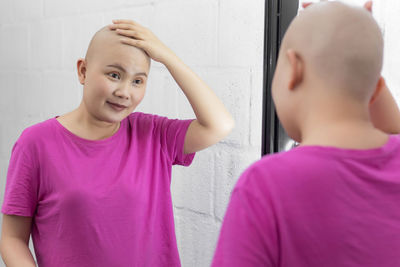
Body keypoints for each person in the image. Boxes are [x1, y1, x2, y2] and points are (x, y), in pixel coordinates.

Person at [0, 20, 234, 267]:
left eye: (138, 81)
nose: (125, 92)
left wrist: (168, 57)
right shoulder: (36, 143)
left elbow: (219, 124)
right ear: (83, 71)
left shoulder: (154, 134)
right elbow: (12, 238)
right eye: (114, 75)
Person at [212, 1, 400, 266]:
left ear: (294, 68)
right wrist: (357, 61)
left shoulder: (264, 185)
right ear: (378, 89)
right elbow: (392, 130)